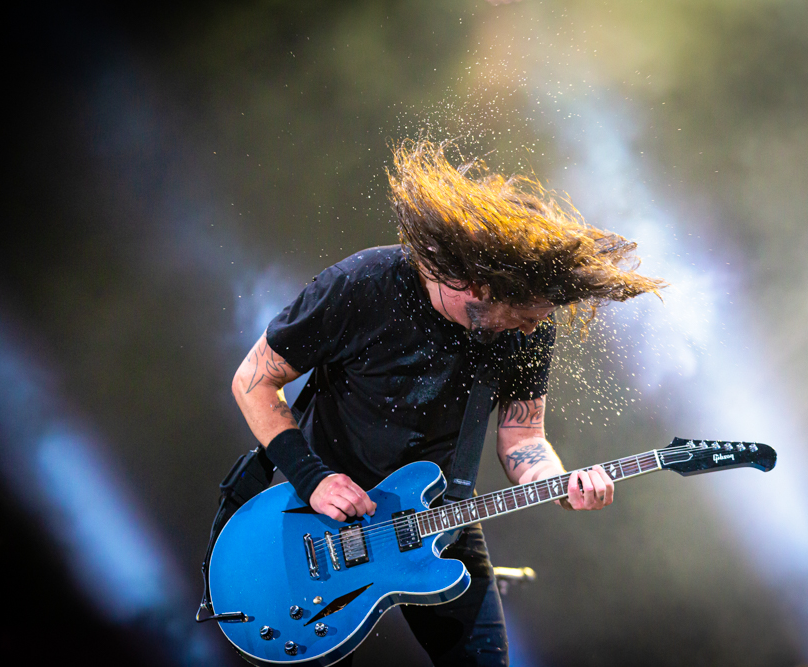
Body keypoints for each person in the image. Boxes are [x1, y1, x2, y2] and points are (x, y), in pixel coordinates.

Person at [231, 139, 662, 666]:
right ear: (478, 285)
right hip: (320, 517)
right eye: (526, 315)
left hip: (437, 516)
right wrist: (314, 479)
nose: (533, 327)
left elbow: (523, 437)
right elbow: (254, 381)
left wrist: (561, 485)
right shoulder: (362, 284)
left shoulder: (526, 333)